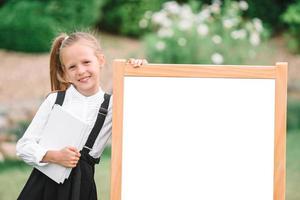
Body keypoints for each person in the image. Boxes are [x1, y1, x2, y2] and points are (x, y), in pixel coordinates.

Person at [16, 31, 147, 200]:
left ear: (100, 60)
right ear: (64, 72)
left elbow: (143, 111)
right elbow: (24, 146)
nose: (81, 70)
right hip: (44, 187)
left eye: (86, 62)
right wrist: (54, 156)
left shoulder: (114, 104)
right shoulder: (55, 100)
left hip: (81, 189)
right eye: (72, 66)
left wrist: (139, 72)